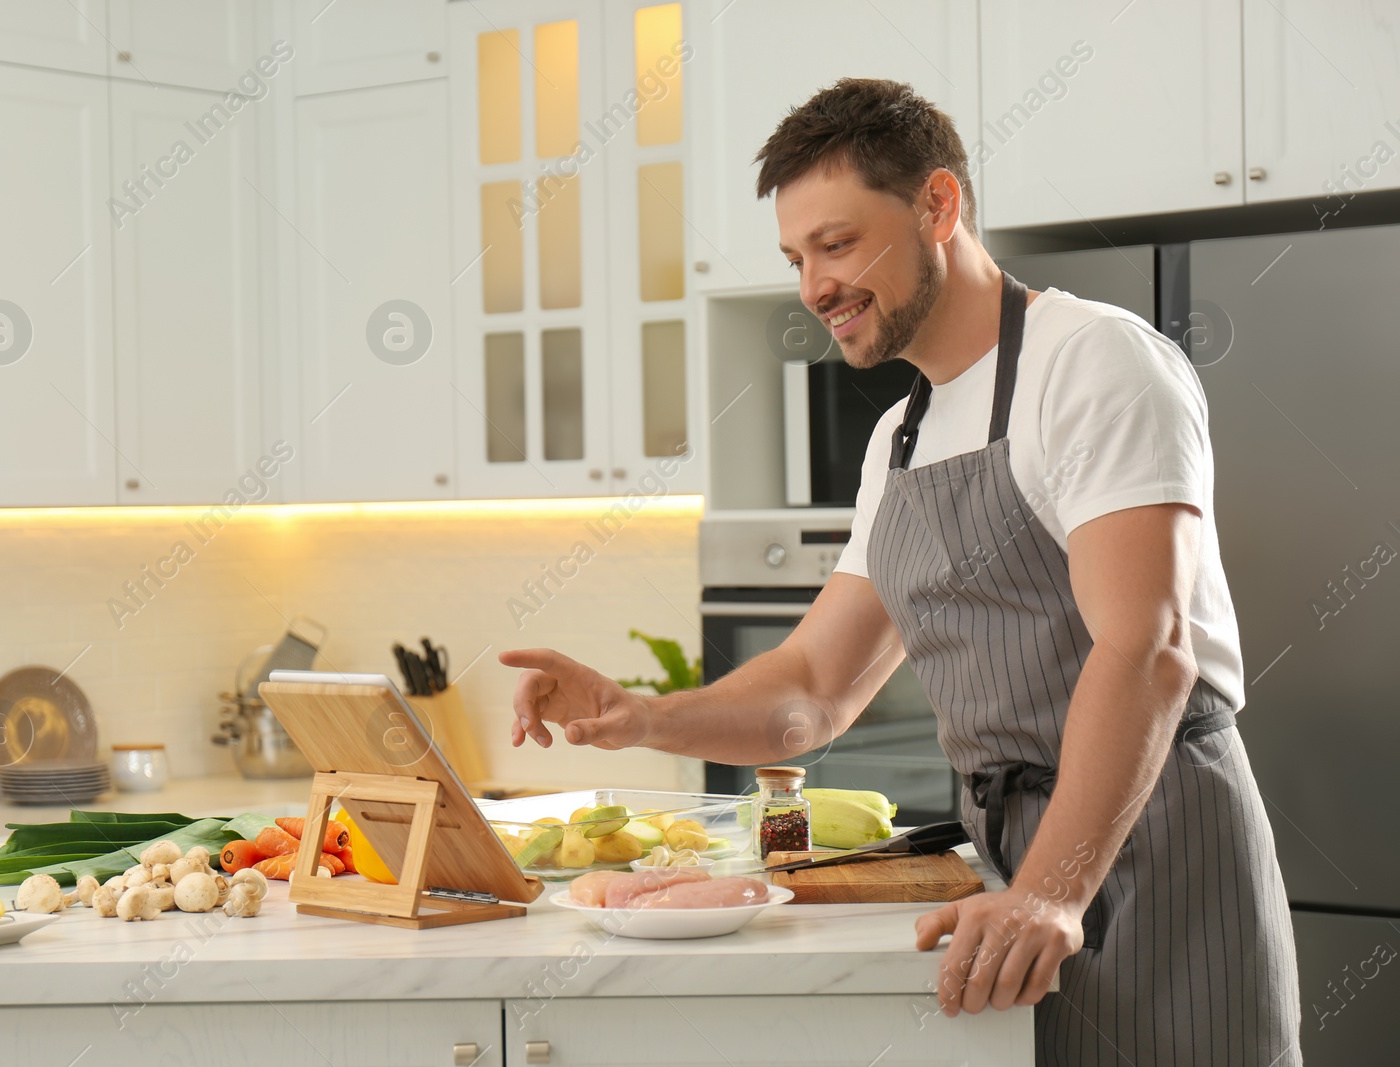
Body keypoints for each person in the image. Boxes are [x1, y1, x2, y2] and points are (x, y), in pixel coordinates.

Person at [499, 78, 1300, 1066]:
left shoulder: (1092, 362)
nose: (811, 287)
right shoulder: (903, 434)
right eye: (795, 258)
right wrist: (637, 713)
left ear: (937, 205)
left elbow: (1148, 646)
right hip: (1003, 868)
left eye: (836, 244)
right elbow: (810, 691)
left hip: (1155, 850)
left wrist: (1051, 888)